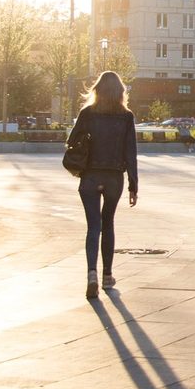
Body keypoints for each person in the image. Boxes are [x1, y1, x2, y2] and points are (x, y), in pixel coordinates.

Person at [67, 70, 139, 297]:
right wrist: (133, 185)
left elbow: (72, 141)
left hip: (90, 176)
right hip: (114, 178)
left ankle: (91, 274)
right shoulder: (126, 117)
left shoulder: (87, 113)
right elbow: (131, 153)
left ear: (97, 89)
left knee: (93, 226)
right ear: (120, 92)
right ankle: (107, 276)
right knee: (108, 223)